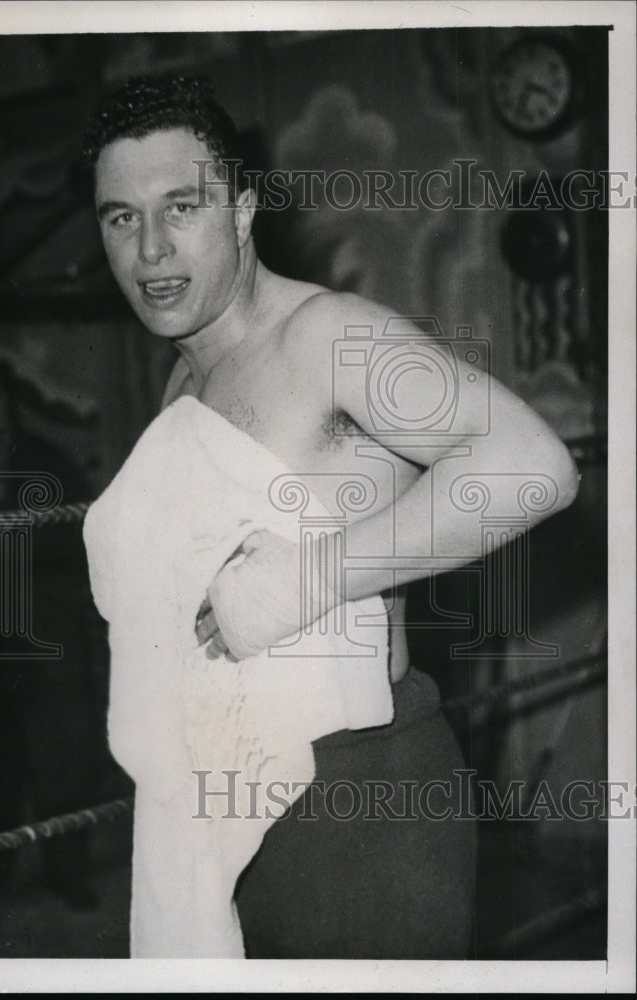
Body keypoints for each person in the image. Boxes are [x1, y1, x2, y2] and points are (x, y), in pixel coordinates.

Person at [81, 74, 579, 958]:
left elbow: (532, 464)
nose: (151, 249)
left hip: (358, 798)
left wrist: (300, 583)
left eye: (181, 207)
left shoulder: (329, 336)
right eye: (121, 217)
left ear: (241, 208)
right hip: (220, 800)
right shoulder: (184, 380)